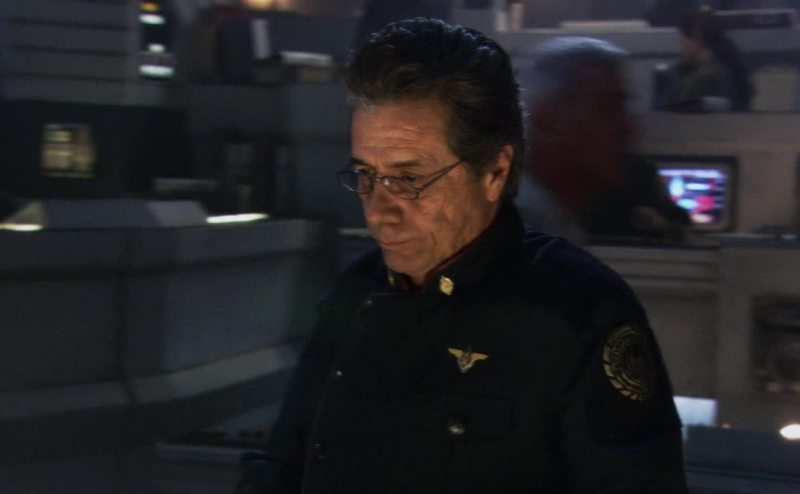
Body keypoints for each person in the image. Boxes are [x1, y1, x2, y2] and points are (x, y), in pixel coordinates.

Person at [236, 18, 688, 493]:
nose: (379, 211)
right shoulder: (357, 290)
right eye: (366, 175)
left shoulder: (579, 311)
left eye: (409, 179)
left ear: (494, 172)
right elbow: (283, 460)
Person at [517, 36, 690, 243]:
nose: (628, 127)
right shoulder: (519, 233)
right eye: (608, 108)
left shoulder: (555, 224)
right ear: (547, 123)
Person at [654, 7, 753, 112]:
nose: (681, 48)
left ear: (697, 37)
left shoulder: (699, 81)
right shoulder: (731, 71)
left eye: (682, 41)